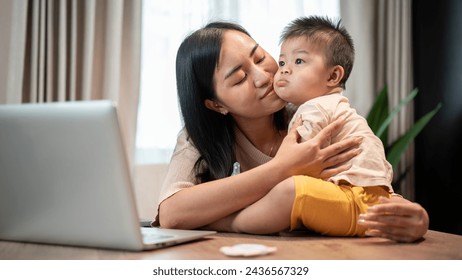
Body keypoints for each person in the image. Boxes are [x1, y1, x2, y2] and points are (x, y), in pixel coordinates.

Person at [154, 21, 429, 243]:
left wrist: (412, 217)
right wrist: (282, 168)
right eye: (239, 78)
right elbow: (171, 214)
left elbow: (360, 182)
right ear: (216, 104)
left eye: (261, 58)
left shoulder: (312, 116)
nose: (264, 77)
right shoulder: (197, 137)